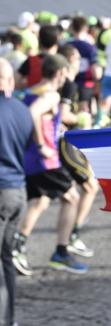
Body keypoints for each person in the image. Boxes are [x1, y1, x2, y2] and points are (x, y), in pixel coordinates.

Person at [12, 54, 88, 275]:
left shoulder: (31, 90)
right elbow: (33, 113)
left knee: (41, 200)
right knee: (72, 197)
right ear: (58, 73)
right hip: (44, 159)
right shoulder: (51, 95)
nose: (66, 78)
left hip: (29, 157)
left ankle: (18, 245)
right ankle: (61, 252)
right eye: (65, 73)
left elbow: (38, 117)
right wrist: (42, 144)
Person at [0, 59, 33, 326]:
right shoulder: (23, 111)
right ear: (10, 80)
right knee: (6, 258)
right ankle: (10, 319)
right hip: (17, 190)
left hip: (1, 190)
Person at [57, 44, 98, 258]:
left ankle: (66, 242)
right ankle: (72, 236)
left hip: (65, 143)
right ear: (72, 62)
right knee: (90, 188)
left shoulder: (62, 83)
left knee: (65, 196)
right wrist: (81, 118)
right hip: (65, 145)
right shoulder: (69, 85)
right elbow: (63, 115)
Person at [69, 16, 102, 113]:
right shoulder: (90, 47)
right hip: (86, 85)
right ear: (85, 28)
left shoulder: (66, 46)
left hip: (69, 85)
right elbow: (97, 73)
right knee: (85, 115)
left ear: (72, 28)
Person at [15, 24, 59, 89]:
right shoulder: (60, 61)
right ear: (57, 40)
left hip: (33, 96)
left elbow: (16, 80)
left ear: (39, 40)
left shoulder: (30, 61)